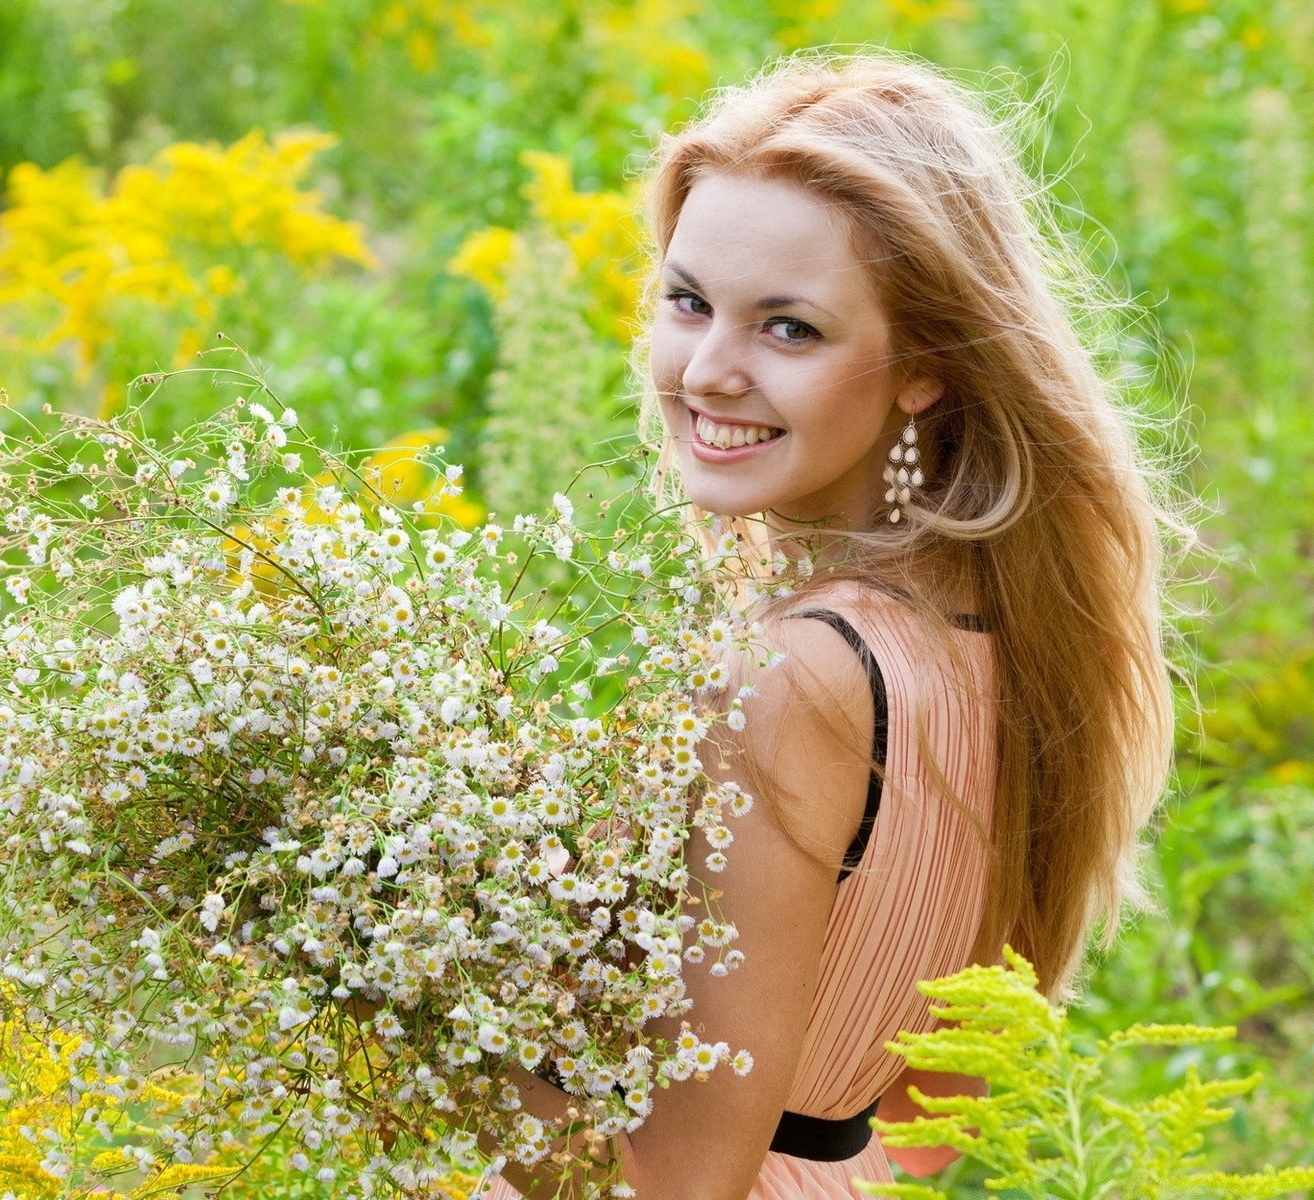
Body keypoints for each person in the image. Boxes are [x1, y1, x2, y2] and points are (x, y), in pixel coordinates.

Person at [480, 49, 1185, 1200]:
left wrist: (399, 990)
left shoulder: (800, 676)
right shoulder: (987, 638)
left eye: (789, 329)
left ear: (926, 368)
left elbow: (673, 1184)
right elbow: (923, 1116)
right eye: (688, 300)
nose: (707, 371)